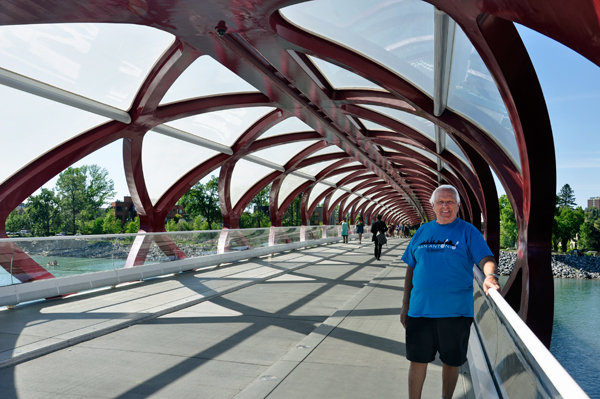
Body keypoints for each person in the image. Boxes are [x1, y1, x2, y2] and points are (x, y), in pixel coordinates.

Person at [400, 185, 500, 399]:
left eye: (450, 202)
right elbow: (411, 267)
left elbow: (486, 259)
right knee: (417, 361)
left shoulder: (468, 231)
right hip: (420, 311)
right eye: (441, 202)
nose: (445, 206)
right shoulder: (422, 231)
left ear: (458, 206)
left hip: (455, 313)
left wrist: (490, 276)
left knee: (451, 362)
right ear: (433, 206)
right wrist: (405, 305)